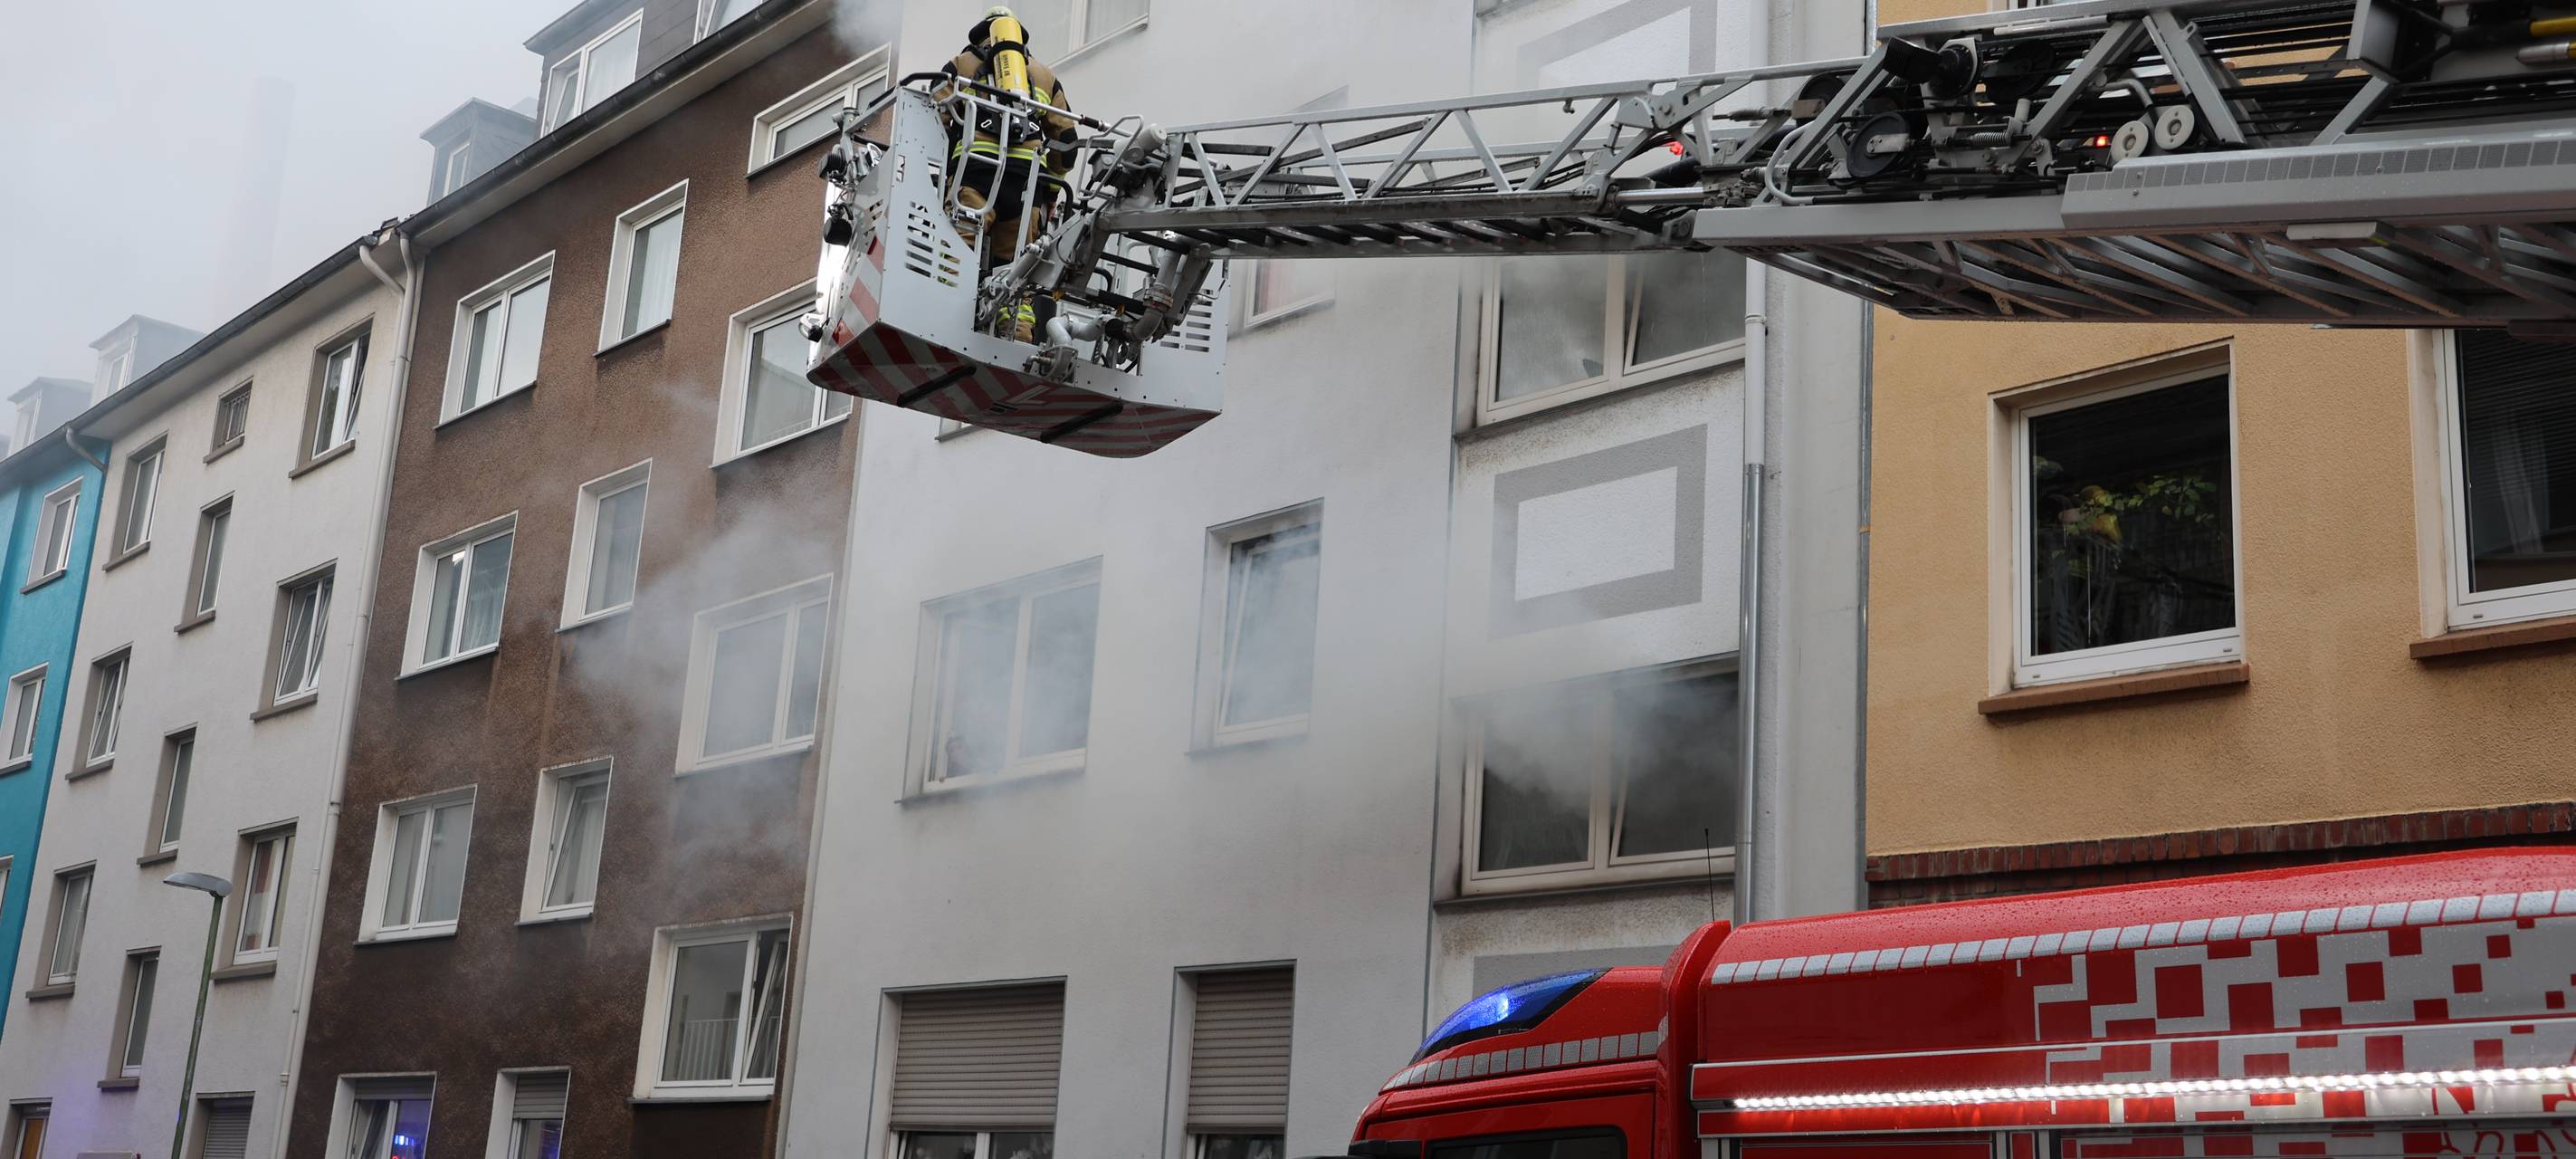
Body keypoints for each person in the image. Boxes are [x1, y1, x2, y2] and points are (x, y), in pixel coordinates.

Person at [938, 6, 1079, 341]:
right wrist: (1050, 191)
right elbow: (1068, 145)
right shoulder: (1043, 75)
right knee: (1016, 268)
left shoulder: (960, 65)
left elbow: (936, 118)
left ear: (981, 33)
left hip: (974, 175)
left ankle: (943, 325)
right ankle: (1017, 337)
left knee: (958, 254)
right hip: (1025, 183)